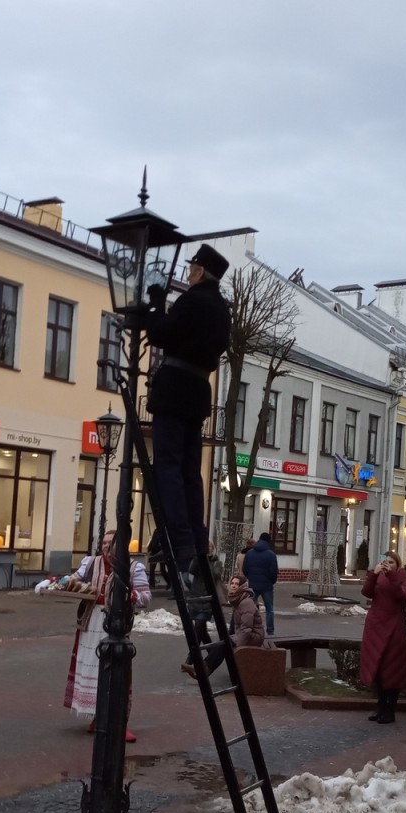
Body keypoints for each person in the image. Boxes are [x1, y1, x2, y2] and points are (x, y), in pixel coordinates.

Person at [142, 244, 231, 580]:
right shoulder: (222, 309)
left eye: (190, 267)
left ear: (197, 272)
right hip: (198, 392)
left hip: (175, 388)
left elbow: (162, 333)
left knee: (167, 466)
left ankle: (176, 538)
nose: (188, 273)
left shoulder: (193, 300)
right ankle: (194, 537)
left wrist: (154, 306)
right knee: (191, 472)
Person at [63, 529, 151, 741]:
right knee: (92, 673)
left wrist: (129, 595)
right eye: (103, 542)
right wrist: (58, 583)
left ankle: (120, 723)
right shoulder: (91, 563)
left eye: (110, 542)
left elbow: (146, 597)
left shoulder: (133, 567)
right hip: (90, 623)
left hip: (116, 626)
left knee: (116, 673)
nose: (105, 546)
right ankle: (96, 717)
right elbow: (71, 581)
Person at [359, 551, 406, 725]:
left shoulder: (401, 577)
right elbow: (366, 592)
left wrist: (391, 575)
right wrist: (373, 575)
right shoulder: (379, 576)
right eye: (385, 561)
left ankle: (390, 710)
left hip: (393, 627)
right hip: (375, 625)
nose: (387, 564)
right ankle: (380, 707)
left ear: (397, 565)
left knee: (392, 669)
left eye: (391, 562)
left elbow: (401, 595)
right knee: (378, 668)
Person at [182, 572, 263, 679]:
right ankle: (203, 669)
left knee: (225, 643)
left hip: (254, 637)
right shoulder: (239, 599)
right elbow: (236, 627)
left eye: (237, 584)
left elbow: (246, 628)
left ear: (242, 587)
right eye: (232, 583)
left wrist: (240, 647)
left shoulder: (246, 602)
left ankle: (202, 669)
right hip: (244, 635)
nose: (233, 586)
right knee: (223, 643)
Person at [183, 540, 224, 668]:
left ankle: (191, 657)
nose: (209, 549)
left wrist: (207, 561)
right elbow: (191, 570)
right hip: (196, 597)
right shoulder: (198, 559)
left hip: (208, 599)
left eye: (211, 547)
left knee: (199, 626)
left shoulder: (217, 562)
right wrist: (197, 557)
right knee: (202, 630)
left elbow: (215, 575)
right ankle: (212, 654)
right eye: (206, 548)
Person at [243, 531, 279, 636]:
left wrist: (251, 578)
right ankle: (270, 631)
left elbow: (245, 569)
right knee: (269, 609)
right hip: (267, 586)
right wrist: (272, 581)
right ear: (268, 541)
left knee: (248, 608)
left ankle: (247, 628)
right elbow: (273, 572)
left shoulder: (249, 553)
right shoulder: (271, 554)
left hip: (253, 584)